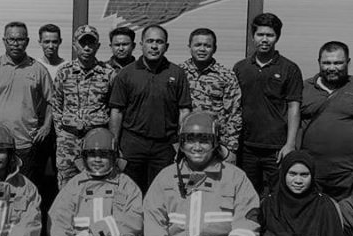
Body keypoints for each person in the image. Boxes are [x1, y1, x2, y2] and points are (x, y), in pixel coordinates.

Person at [109, 24, 192, 193]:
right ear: (141, 45)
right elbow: (117, 111)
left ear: (166, 46)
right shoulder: (126, 74)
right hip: (133, 145)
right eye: (150, 41)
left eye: (159, 42)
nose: (154, 46)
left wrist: (182, 143)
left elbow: (184, 111)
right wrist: (114, 144)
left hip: (165, 146)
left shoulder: (177, 73)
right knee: (130, 192)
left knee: (162, 193)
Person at [301, 41, 353, 200]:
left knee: (348, 214)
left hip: (351, 175)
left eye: (338, 63)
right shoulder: (303, 89)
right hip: (311, 173)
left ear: (348, 62)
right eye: (326, 63)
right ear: (318, 62)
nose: (332, 68)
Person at [0, 22, 53, 189]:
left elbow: (51, 101)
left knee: (23, 189)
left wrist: (46, 126)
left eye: (20, 39)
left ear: (27, 41)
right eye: (11, 39)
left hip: (25, 143)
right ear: (4, 41)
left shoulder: (38, 70)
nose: (16, 44)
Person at [234, 13, 303, 196]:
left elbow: (294, 107)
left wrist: (290, 144)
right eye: (260, 34)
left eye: (270, 35)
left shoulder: (289, 68)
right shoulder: (240, 68)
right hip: (246, 147)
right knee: (248, 196)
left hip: (277, 148)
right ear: (253, 36)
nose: (264, 39)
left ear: (277, 37)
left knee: (280, 194)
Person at [51, 25, 116, 187]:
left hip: (96, 139)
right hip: (68, 139)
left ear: (98, 46)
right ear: (75, 45)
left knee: (97, 181)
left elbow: (113, 107)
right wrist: (61, 134)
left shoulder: (108, 73)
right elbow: (56, 104)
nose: (87, 48)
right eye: (82, 43)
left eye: (91, 43)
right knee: (67, 182)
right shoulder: (64, 72)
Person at [180, 27, 242, 163]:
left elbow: (234, 114)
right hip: (185, 144)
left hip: (216, 144)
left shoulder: (226, 76)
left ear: (214, 49)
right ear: (189, 47)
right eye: (198, 45)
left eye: (207, 46)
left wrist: (231, 149)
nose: (202, 49)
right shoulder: (178, 73)